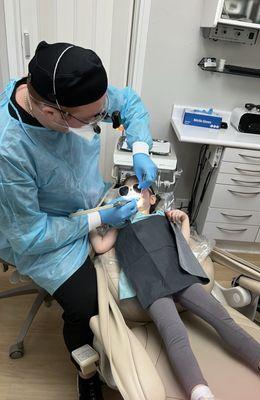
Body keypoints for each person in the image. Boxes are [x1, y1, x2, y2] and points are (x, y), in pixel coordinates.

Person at [0, 41, 157, 400]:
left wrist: (141, 149)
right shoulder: (9, 151)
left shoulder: (73, 95)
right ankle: (86, 375)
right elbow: (29, 234)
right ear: (52, 114)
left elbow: (128, 102)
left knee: (141, 254)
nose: (100, 122)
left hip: (88, 201)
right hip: (40, 233)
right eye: (92, 120)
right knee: (87, 303)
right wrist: (99, 219)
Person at [90, 176, 260, 400]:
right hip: (149, 284)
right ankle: (200, 393)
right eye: (126, 189)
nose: (132, 191)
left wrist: (184, 221)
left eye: (139, 188)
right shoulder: (119, 226)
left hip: (179, 275)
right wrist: (98, 217)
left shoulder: (162, 216)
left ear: (152, 198)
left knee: (220, 317)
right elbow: (100, 246)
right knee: (174, 332)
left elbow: (183, 245)